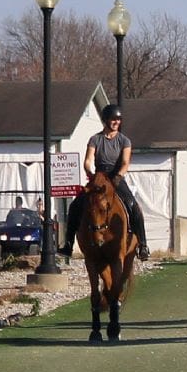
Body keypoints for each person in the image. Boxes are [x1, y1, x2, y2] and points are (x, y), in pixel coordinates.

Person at [57, 104, 150, 261]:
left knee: (133, 205)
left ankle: (143, 245)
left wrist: (119, 176)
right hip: (99, 176)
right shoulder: (95, 139)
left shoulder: (124, 141)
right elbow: (88, 160)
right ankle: (68, 244)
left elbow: (125, 162)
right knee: (75, 205)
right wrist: (90, 173)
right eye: (113, 119)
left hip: (116, 176)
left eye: (119, 119)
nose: (116, 122)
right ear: (106, 120)